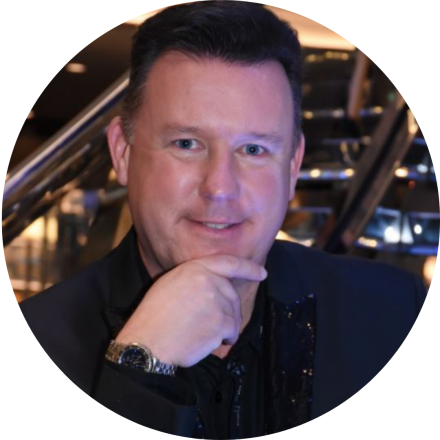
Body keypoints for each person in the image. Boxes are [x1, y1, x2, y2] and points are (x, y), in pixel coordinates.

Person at [19, 1, 426, 437]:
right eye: (186, 143)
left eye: (253, 150)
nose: (219, 187)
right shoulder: (44, 335)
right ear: (122, 153)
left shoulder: (391, 313)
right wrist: (141, 368)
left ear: (292, 166)